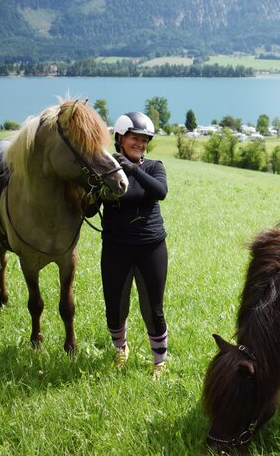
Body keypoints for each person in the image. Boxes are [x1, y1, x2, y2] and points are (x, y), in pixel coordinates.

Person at [101, 111, 169, 378]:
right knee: (115, 306)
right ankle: (121, 349)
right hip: (115, 248)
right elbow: (91, 205)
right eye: (134, 138)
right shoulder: (106, 170)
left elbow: (160, 192)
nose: (140, 144)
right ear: (120, 138)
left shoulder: (154, 167)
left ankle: (159, 361)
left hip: (150, 248)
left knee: (153, 308)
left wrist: (133, 169)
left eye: (144, 140)